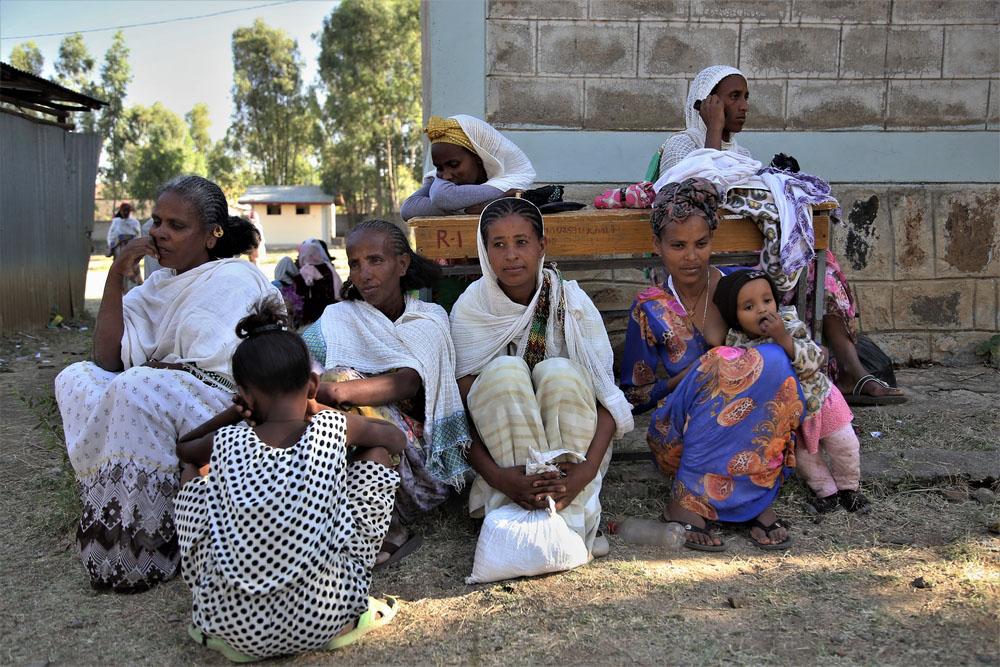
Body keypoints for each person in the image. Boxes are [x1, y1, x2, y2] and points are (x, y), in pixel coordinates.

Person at [54, 175, 275, 592]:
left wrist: (161, 370)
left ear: (213, 235)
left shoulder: (235, 277)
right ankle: (114, 521)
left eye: (176, 225)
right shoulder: (155, 286)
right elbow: (105, 358)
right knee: (75, 378)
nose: (159, 233)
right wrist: (117, 274)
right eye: (156, 221)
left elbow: (240, 366)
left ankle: (153, 542)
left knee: (135, 385)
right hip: (151, 390)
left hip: (222, 405)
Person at [652, 64, 905, 406]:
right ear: (707, 103)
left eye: (746, 98)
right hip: (704, 262)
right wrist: (713, 130)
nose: (744, 106)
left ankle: (850, 371)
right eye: (733, 97)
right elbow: (687, 201)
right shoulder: (681, 148)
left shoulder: (740, 155)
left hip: (751, 259)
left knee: (820, 264)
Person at [174, 298, 403, 661]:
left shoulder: (227, 441)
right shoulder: (331, 427)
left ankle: (219, 616)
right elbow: (394, 440)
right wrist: (317, 408)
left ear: (245, 394)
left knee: (195, 475)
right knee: (376, 455)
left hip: (233, 629)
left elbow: (185, 450)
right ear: (312, 384)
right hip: (327, 617)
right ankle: (351, 616)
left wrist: (230, 415)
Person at [621, 178, 803, 551]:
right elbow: (634, 396)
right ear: (657, 246)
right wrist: (688, 378)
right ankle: (685, 502)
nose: (691, 257)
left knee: (774, 359)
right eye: (678, 245)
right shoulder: (649, 307)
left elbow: (787, 343)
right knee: (722, 362)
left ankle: (754, 497)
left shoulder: (738, 288)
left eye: (701, 244)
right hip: (679, 437)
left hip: (748, 433)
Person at [450, 197, 634, 559]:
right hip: (504, 468)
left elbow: (609, 402)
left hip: (576, 461)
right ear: (484, 252)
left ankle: (566, 523)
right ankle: (519, 517)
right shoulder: (472, 309)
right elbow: (456, 411)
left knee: (559, 373)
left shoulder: (573, 302)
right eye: (498, 245)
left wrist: (584, 473)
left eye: (521, 242)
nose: (511, 255)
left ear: (541, 247)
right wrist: (499, 477)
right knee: (505, 373)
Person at [301, 219, 472, 567]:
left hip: (420, 469)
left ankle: (390, 527)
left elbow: (405, 383)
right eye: (355, 263)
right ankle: (343, 522)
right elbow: (299, 362)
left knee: (340, 381)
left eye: (375, 260)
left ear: (402, 264)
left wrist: (332, 391)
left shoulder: (427, 318)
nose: (363, 273)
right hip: (362, 445)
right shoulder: (339, 317)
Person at [713, 269, 870, 514]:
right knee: (807, 460)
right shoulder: (737, 343)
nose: (763, 310)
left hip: (821, 399)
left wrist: (783, 338)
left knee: (845, 445)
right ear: (734, 317)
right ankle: (827, 493)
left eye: (767, 300)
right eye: (749, 307)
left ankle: (850, 488)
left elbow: (814, 360)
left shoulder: (788, 324)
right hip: (791, 416)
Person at [400, 114, 536, 221]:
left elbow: (443, 197)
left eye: (453, 164)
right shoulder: (445, 179)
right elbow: (409, 208)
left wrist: (459, 205)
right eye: (439, 168)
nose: (445, 176)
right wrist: (488, 203)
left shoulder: (512, 180)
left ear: (478, 157)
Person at [274, 239, 343, 327]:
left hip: (313, 313)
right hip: (330, 308)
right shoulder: (328, 267)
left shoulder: (306, 270)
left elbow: (300, 292)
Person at [107, 202, 143, 291]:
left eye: (127, 211)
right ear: (121, 211)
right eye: (124, 211)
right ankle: (121, 288)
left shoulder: (134, 222)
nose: (126, 213)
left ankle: (134, 287)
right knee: (120, 266)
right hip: (120, 247)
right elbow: (111, 235)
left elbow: (138, 235)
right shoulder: (116, 222)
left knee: (133, 266)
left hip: (131, 248)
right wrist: (112, 245)